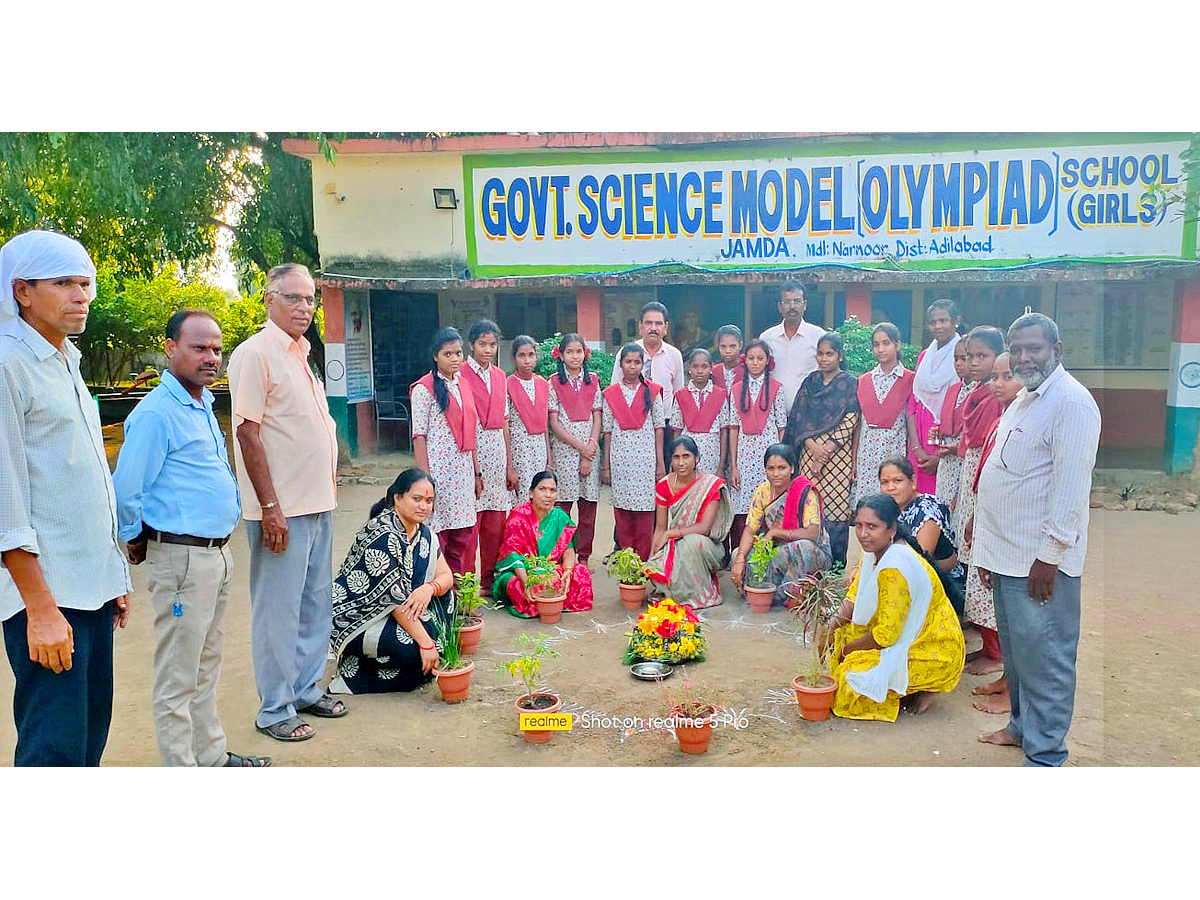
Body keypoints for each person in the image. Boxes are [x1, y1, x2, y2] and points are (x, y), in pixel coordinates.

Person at [0, 230, 132, 766]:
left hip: (91, 589)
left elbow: (86, 482)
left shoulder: (67, 362)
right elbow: (6, 501)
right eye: (64, 283)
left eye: (86, 283)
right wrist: (41, 609)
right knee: (53, 749)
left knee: (87, 739)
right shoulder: (8, 365)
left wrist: (114, 576)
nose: (81, 295)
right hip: (48, 599)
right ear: (22, 291)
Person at [113, 310, 267, 767]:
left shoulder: (199, 404)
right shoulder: (157, 414)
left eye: (216, 349)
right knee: (178, 677)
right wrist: (135, 537)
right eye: (199, 348)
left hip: (215, 556)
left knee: (205, 665)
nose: (211, 357)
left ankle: (212, 758)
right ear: (170, 348)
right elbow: (127, 490)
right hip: (180, 560)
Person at [974, 314, 1100, 766]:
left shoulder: (1071, 404)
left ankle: (1046, 753)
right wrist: (986, 553)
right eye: (1018, 348)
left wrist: (1050, 558)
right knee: (1019, 654)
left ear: (1056, 350)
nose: (1025, 357)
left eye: (1035, 349)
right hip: (1007, 554)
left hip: (1039, 562)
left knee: (1046, 658)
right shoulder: (1026, 398)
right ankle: (1022, 728)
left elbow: (1070, 491)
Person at [228, 262, 343, 743]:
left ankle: (304, 689)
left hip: (319, 502)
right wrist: (269, 506)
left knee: (315, 602)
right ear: (268, 300)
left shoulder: (302, 353)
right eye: (293, 298)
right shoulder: (255, 354)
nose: (304, 307)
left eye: (309, 299)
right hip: (282, 510)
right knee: (277, 609)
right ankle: (273, 708)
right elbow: (247, 431)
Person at [824, 494, 965, 722]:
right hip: (905, 632)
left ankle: (924, 687)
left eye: (872, 526)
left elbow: (886, 636)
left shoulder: (894, 568)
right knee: (839, 634)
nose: (862, 534)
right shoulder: (875, 549)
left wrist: (847, 651)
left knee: (848, 686)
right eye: (859, 526)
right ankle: (901, 688)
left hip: (933, 647)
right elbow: (854, 597)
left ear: (891, 530)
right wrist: (829, 626)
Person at [328, 469, 456, 695]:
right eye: (416, 499)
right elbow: (394, 602)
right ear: (397, 498)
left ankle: (425, 649)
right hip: (364, 617)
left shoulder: (424, 533)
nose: (424, 506)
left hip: (406, 608)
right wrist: (426, 643)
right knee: (410, 650)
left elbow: (446, 576)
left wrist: (428, 588)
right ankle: (358, 671)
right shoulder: (381, 534)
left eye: (429, 501)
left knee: (447, 596)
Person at [962, 351, 1022, 714]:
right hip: (988, 517)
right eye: (995, 377)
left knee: (1016, 616)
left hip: (1012, 529)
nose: (997, 384)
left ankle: (1015, 693)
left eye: (1007, 376)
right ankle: (1006, 678)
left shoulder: (1027, 418)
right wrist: (975, 516)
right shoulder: (1004, 414)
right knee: (996, 598)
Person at [783, 331, 859, 568]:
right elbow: (799, 417)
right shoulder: (810, 383)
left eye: (830, 354)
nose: (824, 358)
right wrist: (813, 447)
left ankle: (835, 567)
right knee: (810, 503)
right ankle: (809, 564)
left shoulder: (849, 383)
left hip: (839, 455)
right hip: (809, 451)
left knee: (836, 509)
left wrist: (825, 450)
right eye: (820, 353)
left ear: (840, 355)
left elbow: (852, 418)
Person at [410, 327, 480, 577]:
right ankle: (438, 596)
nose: (454, 358)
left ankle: (461, 597)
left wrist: (476, 472)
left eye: (458, 353)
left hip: (462, 473)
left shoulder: (464, 385)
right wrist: (424, 481)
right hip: (437, 474)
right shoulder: (423, 389)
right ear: (435, 356)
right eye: (447, 353)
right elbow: (419, 436)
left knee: (462, 535)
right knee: (437, 536)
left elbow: (471, 434)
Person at [731, 443, 831, 607]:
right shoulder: (762, 491)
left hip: (811, 552)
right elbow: (750, 530)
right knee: (737, 554)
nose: (776, 474)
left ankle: (788, 595)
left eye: (781, 468)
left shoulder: (804, 491)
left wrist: (776, 533)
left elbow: (812, 533)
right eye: (771, 468)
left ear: (792, 468)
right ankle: (765, 593)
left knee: (800, 547)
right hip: (777, 550)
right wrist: (741, 559)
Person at [461, 320, 517, 593]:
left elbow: (505, 421)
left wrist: (509, 464)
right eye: (482, 344)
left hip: (497, 451)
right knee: (472, 523)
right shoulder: (460, 374)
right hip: (472, 452)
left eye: (492, 344)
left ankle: (489, 582)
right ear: (471, 345)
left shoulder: (499, 376)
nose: (487, 349)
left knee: (496, 524)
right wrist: (474, 471)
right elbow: (465, 424)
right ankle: (467, 583)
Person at [646, 437, 733, 608]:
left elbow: (705, 528)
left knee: (692, 543)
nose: (681, 463)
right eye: (676, 457)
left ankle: (698, 595)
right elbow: (660, 529)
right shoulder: (664, 485)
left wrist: (672, 533)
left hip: (706, 546)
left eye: (686, 456)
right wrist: (652, 557)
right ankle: (678, 590)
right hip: (675, 544)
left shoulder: (710, 485)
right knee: (658, 570)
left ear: (696, 458)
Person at [493, 471, 594, 617]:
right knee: (516, 585)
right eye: (542, 489)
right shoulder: (518, 515)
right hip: (522, 572)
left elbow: (568, 549)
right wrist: (527, 581)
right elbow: (513, 555)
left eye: (552, 490)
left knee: (581, 573)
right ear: (531, 493)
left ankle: (551, 600)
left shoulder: (559, 516)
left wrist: (567, 571)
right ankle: (548, 600)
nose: (548, 495)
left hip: (550, 570)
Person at [601, 343, 666, 561]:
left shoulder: (653, 392)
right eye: (628, 362)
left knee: (646, 512)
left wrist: (659, 463)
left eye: (637, 362)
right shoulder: (610, 394)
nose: (632, 366)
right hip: (620, 461)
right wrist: (606, 465)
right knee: (623, 511)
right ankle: (627, 565)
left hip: (645, 462)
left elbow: (659, 429)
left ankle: (644, 564)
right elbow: (607, 431)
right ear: (620, 365)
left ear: (643, 365)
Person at [876, 456, 964, 614]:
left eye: (897, 481)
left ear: (913, 481)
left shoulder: (927, 509)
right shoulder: (890, 511)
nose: (891, 488)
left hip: (944, 587)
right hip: (906, 579)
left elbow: (919, 561)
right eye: (885, 483)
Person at [727, 339, 788, 552]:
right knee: (743, 503)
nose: (755, 362)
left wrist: (780, 460)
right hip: (744, 454)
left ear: (767, 362)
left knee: (768, 500)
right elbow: (733, 427)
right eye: (751, 358)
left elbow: (782, 426)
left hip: (768, 451)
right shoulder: (735, 390)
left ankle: (768, 550)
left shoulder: (777, 388)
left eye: (760, 358)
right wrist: (733, 465)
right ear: (744, 361)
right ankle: (741, 552)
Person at [547, 333, 601, 564]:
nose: (574, 356)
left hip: (590, 449)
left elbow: (597, 417)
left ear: (585, 354)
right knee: (563, 507)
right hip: (565, 451)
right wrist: (581, 448)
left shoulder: (594, 381)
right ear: (560, 355)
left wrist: (590, 447)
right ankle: (562, 554)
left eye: (578, 351)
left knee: (588, 507)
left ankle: (584, 556)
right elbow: (554, 424)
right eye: (569, 351)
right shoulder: (553, 383)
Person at [610, 301, 684, 466]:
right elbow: (615, 391)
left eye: (659, 323)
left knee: (662, 475)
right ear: (640, 326)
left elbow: (679, 395)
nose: (653, 328)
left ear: (666, 327)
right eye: (648, 323)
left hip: (665, 425)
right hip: (631, 426)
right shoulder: (626, 353)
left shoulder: (674, 355)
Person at [852, 323, 913, 505]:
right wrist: (855, 459)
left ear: (898, 345)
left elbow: (911, 423)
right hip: (866, 454)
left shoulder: (910, 379)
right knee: (868, 506)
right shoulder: (864, 380)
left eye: (886, 343)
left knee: (892, 504)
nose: (880, 349)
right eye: (876, 344)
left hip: (894, 450)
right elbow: (859, 424)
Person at [908, 299, 963, 494]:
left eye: (944, 320)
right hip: (919, 443)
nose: (938, 326)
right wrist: (916, 448)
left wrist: (939, 457)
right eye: (933, 322)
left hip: (946, 445)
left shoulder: (962, 356)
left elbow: (962, 408)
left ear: (956, 320)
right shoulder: (925, 357)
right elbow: (913, 405)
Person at [758, 281, 826, 409]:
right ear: (779, 306)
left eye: (797, 301)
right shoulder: (767, 338)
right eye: (787, 302)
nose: (792, 306)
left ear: (804, 305)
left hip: (809, 413)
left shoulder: (819, 336)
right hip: (772, 414)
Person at [506, 335, 552, 508]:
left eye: (531, 355)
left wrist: (549, 458)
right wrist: (509, 464)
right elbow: (506, 427)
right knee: (522, 503)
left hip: (538, 450)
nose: (527, 360)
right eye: (521, 355)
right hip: (519, 451)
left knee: (540, 499)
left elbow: (544, 425)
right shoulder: (507, 385)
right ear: (514, 358)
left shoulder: (542, 384)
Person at [670, 348, 729, 476]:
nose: (700, 371)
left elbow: (724, 432)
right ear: (689, 369)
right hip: (686, 452)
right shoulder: (681, 395)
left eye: (704, 366)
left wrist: (721, 465)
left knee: (708, 490)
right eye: (695, 366)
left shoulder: (720, 394)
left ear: (711, 368)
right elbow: (677, 431)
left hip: (712, 452)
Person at [932, 339, 973, 511]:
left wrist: (955, 448)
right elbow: (948, 425)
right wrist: (938, 433)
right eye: (956, 359)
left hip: (965, 461)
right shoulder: (952, 389)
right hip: (947, 464)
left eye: (964, 358)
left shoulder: (979, 392)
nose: (958, 364)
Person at [712, 324, 744, 393]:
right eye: (723, 346)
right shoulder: (713, 372)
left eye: (732, 346)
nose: (728, 351)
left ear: (740, 345)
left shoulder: (748, 371)